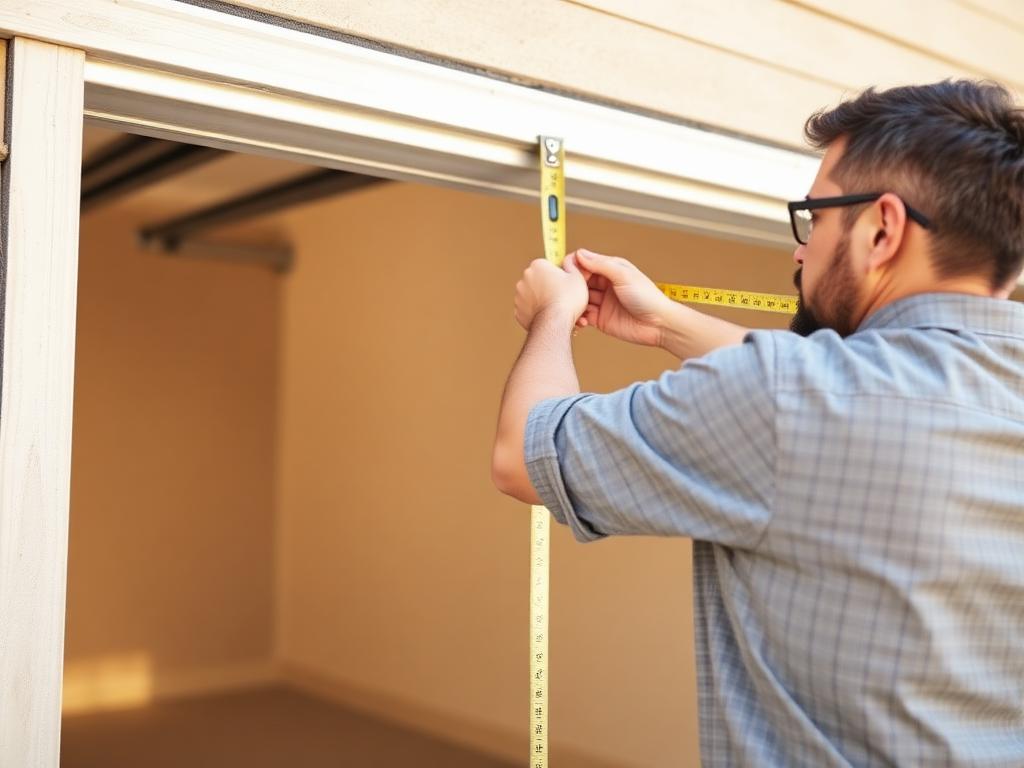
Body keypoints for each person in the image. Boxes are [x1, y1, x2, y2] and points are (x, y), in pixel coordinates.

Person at [492, 80, 1024, 767]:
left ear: (882, 229)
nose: (801, 251)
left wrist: (552, 313)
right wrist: (666, 324)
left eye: (815, 217)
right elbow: (840, 389)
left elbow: (526, 451)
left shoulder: (782, 397)